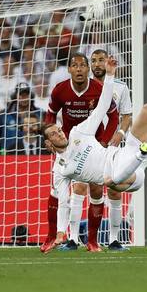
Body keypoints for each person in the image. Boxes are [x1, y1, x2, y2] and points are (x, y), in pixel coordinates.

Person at [41, 56, 147, 252]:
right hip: (128, 177)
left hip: (125, 154)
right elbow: (63, 201)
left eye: (59, 129)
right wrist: (60, 233)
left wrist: (110, 75)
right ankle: (142, 154)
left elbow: (103, 106)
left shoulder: (78, 132)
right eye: (54, 133)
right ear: (49, 143)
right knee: (109, 180)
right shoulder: (60, 169)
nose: (60, 132)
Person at [43, 53, 119, 253]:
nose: (78, 69)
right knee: (60, 189)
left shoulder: (97, 89)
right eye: (74, 66)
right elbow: (50, 114)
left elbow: (113, 116)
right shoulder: (60, 90)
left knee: (95, 189)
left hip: (94, 143)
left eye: (82, 66)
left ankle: (92, 241)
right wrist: (49, 136)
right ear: (68, 69)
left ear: (88, 69)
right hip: (67, 145)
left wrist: (104, 142)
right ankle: (55, 236)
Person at [86, 49, 132, 251]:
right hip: (89, 144)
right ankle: (73, 239)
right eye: (93, 61)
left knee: (114, 189)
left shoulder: (121, 88)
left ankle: (114, 239)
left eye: (101, 60)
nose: (97, 64)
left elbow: (127, 115)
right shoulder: (83, 87)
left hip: (113, 145)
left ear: (108, 63)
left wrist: (120, 133)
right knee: (82, 187)